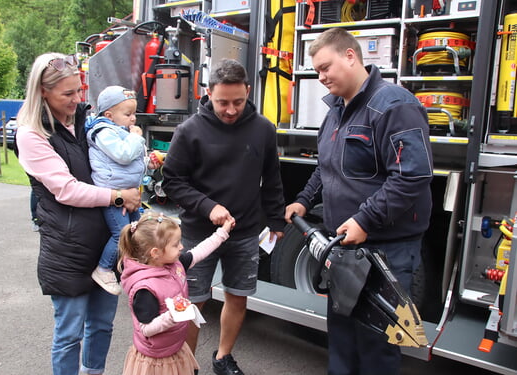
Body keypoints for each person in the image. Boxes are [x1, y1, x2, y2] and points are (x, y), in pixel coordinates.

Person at [284, 28, 433, 375]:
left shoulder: (395, 106)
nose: (320, 77)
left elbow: (412, 176)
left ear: (350, 56)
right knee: (342, 341)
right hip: (347, 252)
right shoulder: (337, 111)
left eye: (325, 67)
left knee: (375, 348)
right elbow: (327, 167)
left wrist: (365, 220)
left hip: (387, 253)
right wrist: (304, 201)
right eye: (317, 70)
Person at [15, 52, 141, 375]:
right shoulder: (32, 135)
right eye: (67, 93)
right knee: (69, 334)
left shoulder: (86, 120)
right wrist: (118, 196)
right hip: (67, 250)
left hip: (105, 246)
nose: (77, 99)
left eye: (79, 91)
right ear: (43, 91)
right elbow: (67, 190)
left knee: (101, 326)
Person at [162, 58, 286, 375]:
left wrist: (275, 221)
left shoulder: (263, 129)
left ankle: (222, 357)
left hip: (244, 233)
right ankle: (186, 364)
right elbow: (172, 182)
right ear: (208, 93)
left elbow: (272, 178)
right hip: (198, 234)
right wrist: (208, 206)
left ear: (248, 91)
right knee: (192, 304)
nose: (230, 110)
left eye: (238, 102)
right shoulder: (189, 130)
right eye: (222, 103)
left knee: (238, 297)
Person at [119, 212, 235, 375]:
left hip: (175, 348)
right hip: (157, 361)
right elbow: (145, 329)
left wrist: (223, 232)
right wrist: (173, 316)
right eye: (175, 244)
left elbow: (200, 251)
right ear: (155, 252)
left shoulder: (175, 265)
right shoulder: (145, 289)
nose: (181, 247)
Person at [85, 85, 159, 296]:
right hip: (113, 193)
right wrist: (136, 137)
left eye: (134, 113)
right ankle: (104, 269)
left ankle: (134, 266)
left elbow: (127, 163)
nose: (133, 118)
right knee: (121, 233)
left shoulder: (118, 131)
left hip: (127, 190)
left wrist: (147, 162)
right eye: (127, 114)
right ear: (109, 115)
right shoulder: (103, 132)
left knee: (138, 229)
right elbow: (123, 155)